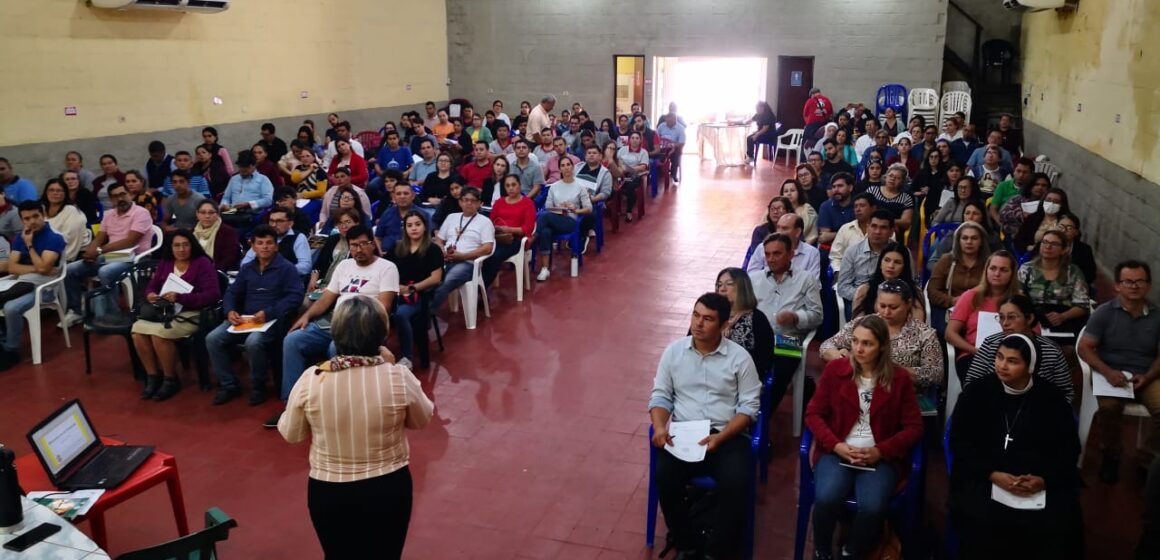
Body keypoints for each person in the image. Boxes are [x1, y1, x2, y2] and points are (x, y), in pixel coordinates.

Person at [279, 295, 433, 560]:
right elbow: (421, 420)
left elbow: (291, 434)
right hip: (388, 487)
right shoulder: (397, 376)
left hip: (329, 490)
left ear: (335, 334)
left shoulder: (311, 379)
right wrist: (391, 365)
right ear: (382, 334)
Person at [949, 334, 1083, 560]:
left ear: (1030, 366)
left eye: (1012, 361)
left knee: (1058, 521)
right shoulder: (977, 392)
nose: (1002, 365)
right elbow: (960, 441)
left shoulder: (1051, 398)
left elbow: (1068, 448)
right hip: (985, 474)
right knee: (981, 519)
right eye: (999, 357)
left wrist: (1043, 480)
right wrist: (992, 474)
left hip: (1038, 476)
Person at [649, 293, 761, 559]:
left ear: (723, 325)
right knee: (665, 477)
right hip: (685, 434)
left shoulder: (740, 358)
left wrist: (721, 437)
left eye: (708, 319)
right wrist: (660, 427)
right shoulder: (674, 352)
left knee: (736, 481)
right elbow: (661, 396)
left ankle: (715, 551)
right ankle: (687, 544)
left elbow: (748, 408)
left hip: (726, 435)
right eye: (696, 315)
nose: (698, 324)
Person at [806, 315, 923, 560]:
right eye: (855, 342)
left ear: (881, 346)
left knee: (873, 507)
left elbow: (914, 428)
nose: (858, 349)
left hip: (879, 457)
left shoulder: (899, 379)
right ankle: (822, 550)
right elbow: (814, 414)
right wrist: (836, 445)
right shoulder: (835, 371)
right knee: (826, 499)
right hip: (838, 451)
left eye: (867, 343)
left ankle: (852, 550)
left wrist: (881, 451)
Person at [277, 223, 398, 421]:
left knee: (336, 350)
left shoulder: (387, 268)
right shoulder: (344, 266)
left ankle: (339, 407)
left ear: (372, 244)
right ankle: (292, 404)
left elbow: (383, 307)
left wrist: (359, 324)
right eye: (353, 245)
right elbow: (326, 299)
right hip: (333, 321)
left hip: (364, 326)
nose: (358, 250)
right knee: (292, 340)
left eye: (363, 244)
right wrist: (305, 316)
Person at [1077, 260, 1160, 485]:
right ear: (1117, 286)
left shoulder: (1157, 316)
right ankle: (1111, 454)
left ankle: (1146, 459)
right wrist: (1107, 372)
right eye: (1128, 282)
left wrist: (1149, 376)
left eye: (1140, 281)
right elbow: (1084, 347)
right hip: (1111, 375)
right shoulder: (1104, 313)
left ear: (1149, 286)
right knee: (1108, 408)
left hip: (1146, 375)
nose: (1134, 286)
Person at [206, 225, 304, 405]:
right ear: (253, 246)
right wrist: (230, 311)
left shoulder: (286, 268)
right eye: (260, 243)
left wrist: (269, 312)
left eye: (269, 243)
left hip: (273, 321)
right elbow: (232, 293)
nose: (265, 247)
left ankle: (259, 386)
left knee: (254, 342)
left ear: (276, 246)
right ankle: (229, 385)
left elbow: (295, 297)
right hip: (245, 318)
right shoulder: (247, 268)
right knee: (212, 339)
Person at [132, 230, 221, 401]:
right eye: (177, 245)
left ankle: (170, 378)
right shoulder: (166, 262)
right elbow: (152, 286)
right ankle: (153, 376)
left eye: (185, 245)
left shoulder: (202, 263)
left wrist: (180, 297)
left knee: (160, 335)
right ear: (171, 248)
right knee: (137, 332)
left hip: (192, 313)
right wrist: (151, 294)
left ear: (192, 246)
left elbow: (213, 295)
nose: (181, 249)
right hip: (166, 312)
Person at [749, 233, 823, 412]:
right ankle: (745, 409)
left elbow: (817, 315)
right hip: (758, 338)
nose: (770, 259)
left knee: (781, 371)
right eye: (767, 254)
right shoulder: (754, 278)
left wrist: (796, 317)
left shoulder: (806, 279)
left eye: (776, 254)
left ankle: (763, 416)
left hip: (787, 338)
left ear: (791, 254)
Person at [822, 280, 942, 390]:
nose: (886, 312)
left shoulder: (924, 333)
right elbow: (826, 346)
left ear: (908, 304)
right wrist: (843, 358)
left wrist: (889, 369)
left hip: (901, 393)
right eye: (882, 306)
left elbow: (935, 374)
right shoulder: (864, 324)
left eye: (893, 307)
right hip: (858, 390)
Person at [64, 182, 153, 324]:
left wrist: (99, 251)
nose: (120, 198)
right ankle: (75, 311)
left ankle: (113, 313)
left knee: (106, 272)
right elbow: (100, 237)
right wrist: (91, 251)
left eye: (123, 194)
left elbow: (130, 241)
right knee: (70, 270)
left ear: (129, 195)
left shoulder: (141, 213)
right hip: (109, 256)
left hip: (134, 259)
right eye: (115, 196)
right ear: (111, 200)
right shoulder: (108, 214)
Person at [965, 295, 1073, 401]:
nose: (1005, 323)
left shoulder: (1051, 350)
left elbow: (1065, 392)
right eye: (1001, 317)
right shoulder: (991, 343)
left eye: (1011, 317)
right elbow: (971, 383)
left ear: (1029, 318)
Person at [0, 201, 68, 369]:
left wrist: (30, 245)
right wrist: (38, 269)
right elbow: (12, 267)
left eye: (36, 216)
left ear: (43, 214)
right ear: (22, 220)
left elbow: (45, 268)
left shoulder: (54, 237)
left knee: (11, 308)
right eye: (27, 218)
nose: (32, 221)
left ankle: (11, 349)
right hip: (21, 283)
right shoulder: (19, 237)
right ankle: (3, 340)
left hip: (44, 288)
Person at [946, 251, 1022, 374]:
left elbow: (1034, 333)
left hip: (1012, 356)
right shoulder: (970, 296)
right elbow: (950, 333)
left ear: (1012, 274)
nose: (997, 273)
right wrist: (976, 351)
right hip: (973, 355)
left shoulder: (1020, 300)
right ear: (986, 270)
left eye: (1003, 270)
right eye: (993, 268)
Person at [385, 211, 444, 368]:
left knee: (401, 314)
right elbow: (385, 267)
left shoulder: (433, 249)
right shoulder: (397, 247)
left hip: (420, 295)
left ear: (425, 227)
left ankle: (406, 358)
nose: (414, 228)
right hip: (396, 293)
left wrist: (411, 288)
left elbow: (436, 278)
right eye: (409, 225)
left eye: (417, 224)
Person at [430, 187, 494, 312]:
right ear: (460, 202)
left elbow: (488, 248)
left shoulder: (485, 222)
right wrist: (441, 252)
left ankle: (424, 316)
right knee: (426, 278)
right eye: (465, 200)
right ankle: (416, 310)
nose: (468, 203)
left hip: (468, 263)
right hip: (445, 259)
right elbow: (439, 240)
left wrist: (463, 256)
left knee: (446, 281)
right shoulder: (451, 217)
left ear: (479, 204)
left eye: (473, 200)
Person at [1017, 230, 1090, 339]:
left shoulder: (1073, 272)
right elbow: (1017, 296)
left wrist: (1063, 316)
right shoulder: (1026, 269)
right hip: (1031, 320)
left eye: (1054, 244)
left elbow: (1083, 305)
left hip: (1064, 322)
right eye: (1044, 242)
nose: (1048, 246)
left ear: (1063, 249)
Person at [534, 158, 592, 282]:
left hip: (570, 221)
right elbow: (548, 207)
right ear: (559, 168)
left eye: (568, 165)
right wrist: (558, 207)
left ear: (572, 167)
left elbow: (589, 209)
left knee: (543, 217)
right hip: (554, 217)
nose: (566, 168)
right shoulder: (554, 187)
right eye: (563, 165)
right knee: (545, 231)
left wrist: (575, 209)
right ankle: (545, 268)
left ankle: (532, 238)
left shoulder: (580, 186)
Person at [928, 221, 992, 332]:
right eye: (965, 238)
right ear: (958, 241)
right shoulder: (946, 260)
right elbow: (932, 291)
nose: (969, 242)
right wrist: (952, 301)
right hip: (950, 309)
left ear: (981, 241)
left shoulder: (989, 263)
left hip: (980, 310)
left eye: (974, 238)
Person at [713, 268, 775, 375]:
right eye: (719, 285)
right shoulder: (710, 314)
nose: (722, 289)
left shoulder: (757, 319)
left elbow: (765, 360)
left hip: (741, 377)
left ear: (742, 288)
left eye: (729, 284)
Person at [482, 174, 536, 289]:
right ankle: (480, 287)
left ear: (519, 186)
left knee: (494, 255)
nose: (510, 188)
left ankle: (480, 289)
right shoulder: (499, 202)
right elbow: (490, 222)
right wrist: (497, 229)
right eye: (507, 186)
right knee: (483, 253)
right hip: (497, 237)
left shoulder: (527, 203)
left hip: (516, 240)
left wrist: (509, 230)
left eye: (513, 185)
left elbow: (528, 228)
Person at [852, 243, 925, 322]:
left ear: (904, 267)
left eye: (897, 262)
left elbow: (918, 325)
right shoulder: (864, 290)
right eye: (887, 260)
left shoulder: (915, 292)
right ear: (880, 263)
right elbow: (857, 323)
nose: (891, 266)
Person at [836, 211, 895, 304]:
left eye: (883, 228)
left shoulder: (900, 252)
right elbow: (843, 287)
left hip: (893, 302)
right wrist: (867, 297)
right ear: (867, 227)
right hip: (861, 301)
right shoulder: (852, 252)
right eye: (874, 226)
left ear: (891, 232)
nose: (877, 232)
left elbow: (911, 284)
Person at [240, 207, 311, 278]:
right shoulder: (262, 236)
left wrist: (279, 270)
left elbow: (305, 266)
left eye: (279, 221)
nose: (274, 225)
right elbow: (245, 263)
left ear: (290, 223)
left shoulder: (298, 237)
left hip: (287, 280)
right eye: (271, 221)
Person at [306, 208, 362, 296]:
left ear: (357, 223)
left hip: (344, 288)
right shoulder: (332, 240)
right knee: (304, 303)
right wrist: (313, 280)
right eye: (340, 223)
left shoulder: (360, 245)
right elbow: (318, 264)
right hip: (322, 285)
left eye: (348, 222)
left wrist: (332, 288)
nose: (344, 226)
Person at [219, 151, 274, 228]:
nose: (243, 169)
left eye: (246, 167)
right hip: (233, 211)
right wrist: (225, 205)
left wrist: (249, 204)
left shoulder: (263, 179)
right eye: (241, 166)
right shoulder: (234, 179)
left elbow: (268, 200)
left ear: (254, 165)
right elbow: (226, 198)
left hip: (252, 214)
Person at [829, 194, 878, 275]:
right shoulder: (845, 229)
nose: (858, 209)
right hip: (848, 275)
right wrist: (838, 272)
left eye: (862, 206)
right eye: (855, 206)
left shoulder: (882, 230)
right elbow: (835, 256)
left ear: (873, 208)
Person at [376, 181, 430, 254]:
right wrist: (380, 253)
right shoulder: (386, 214)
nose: (402, 196)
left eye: (406, 193)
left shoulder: (424, 215)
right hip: (387, 256)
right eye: (398, 194)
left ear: (413, 196)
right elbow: (378, 238)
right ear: (393, 197)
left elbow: (428, 239)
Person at [39, 179, 87, 261]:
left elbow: (69, 240)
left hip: (66, 257)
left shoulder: (72, 211)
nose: (55, 193)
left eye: (59, 190)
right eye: (51, 190)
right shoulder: (40, 210)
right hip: (41, 255)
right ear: (46, 192)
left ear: (65, 193)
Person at [1013, 187, 1069, 253]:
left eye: (1056, 201)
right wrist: (1028, 247)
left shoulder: (1066, 221)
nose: (1051, 203)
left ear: (1062, 204)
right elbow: (1018, 240)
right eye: (1048, 200)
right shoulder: (1033, 218)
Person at [191, 200, 240, 272]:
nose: (207, 216)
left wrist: (211, 271)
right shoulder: (192, 232)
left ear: (217, 214)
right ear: (197, 214)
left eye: (211, 212)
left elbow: (229, 258)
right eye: (203, 212)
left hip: (217, 272)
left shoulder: (227, 232)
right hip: (194, 270)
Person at [867, 164, 913, 237]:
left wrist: (888, 222)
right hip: (871, 226)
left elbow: (906, 221)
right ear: (886, 177)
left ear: (903, 181)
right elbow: (865, 211)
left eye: (897, 178)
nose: (893, 179)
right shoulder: (872, 191)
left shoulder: (906, 198)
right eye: (891, 175)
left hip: (893, 230)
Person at [817, 172, 855, 249]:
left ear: (850, 188)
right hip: (830, 249)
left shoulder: (857, 205)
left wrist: (832, 235)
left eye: (840, 186)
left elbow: (859, 234)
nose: (836, 190)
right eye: (834, 187)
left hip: (853, 249)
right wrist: (850, 234)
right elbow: (824, 237)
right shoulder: (826, 206)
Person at [617, 132, 649, 223]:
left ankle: (628, 211)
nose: (634, 140)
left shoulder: (643, 152)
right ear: (629, 140)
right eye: (632, 138)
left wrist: (629, 169)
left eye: (637, 138)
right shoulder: (623, 149)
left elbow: (643, 167)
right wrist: (622, 168)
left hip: (636, 174)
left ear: (640, 140)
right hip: (622, 173)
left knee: (630, 187)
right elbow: (618, 161)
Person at [1057, 213, 1097, 285]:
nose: (1064, 230)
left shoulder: (1084, 250)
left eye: (1069, 228)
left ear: (1076, 232)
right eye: (1061, 227)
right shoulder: (1045, 244)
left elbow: (1090, 275)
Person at [780, 180, 819, 245]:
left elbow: (813, 234)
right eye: (786, 191)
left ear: (799, 192)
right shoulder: (777, 209)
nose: (789, 193)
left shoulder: (807, 209)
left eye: (792, 190)